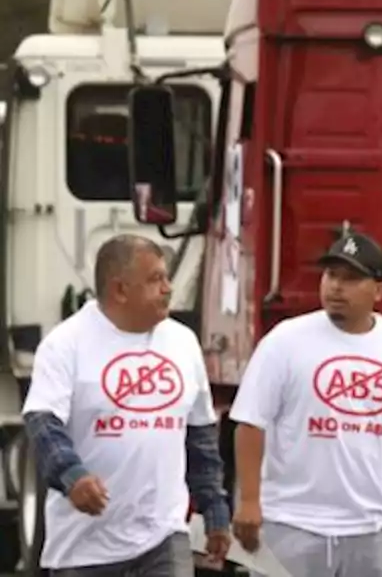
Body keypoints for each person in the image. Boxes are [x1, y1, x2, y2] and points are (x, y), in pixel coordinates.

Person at [229, 231, 382, 576]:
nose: (336, 287)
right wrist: (250, 500)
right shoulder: (285, 341)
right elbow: (250, 423)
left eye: (350, 279)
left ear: (378, 290)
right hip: (291, 523)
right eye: (331, 276)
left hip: (374, 526)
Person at [22, 234, 231, 576]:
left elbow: (200, 436)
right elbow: (43, 423)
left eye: (166, 277)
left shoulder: (182, 342)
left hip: (164, 534)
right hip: (86, 547)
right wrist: (72, 477)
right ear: (119, 289)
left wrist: (215, 508)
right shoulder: (66, 344)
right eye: (155, 279)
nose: (168, 288)